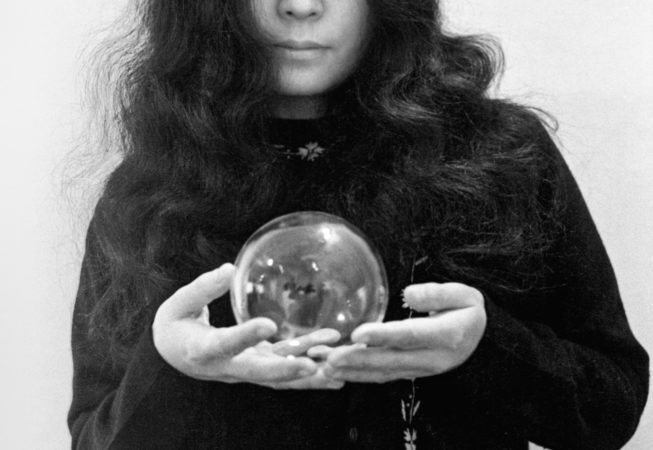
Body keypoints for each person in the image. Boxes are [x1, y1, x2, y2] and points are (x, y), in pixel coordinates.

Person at [68, 1, 649, 449]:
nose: (300, 6)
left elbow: (611, 408)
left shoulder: (500, 156)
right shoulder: (151, 190)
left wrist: (486, 348)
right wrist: (171, 369)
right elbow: (92, 437)